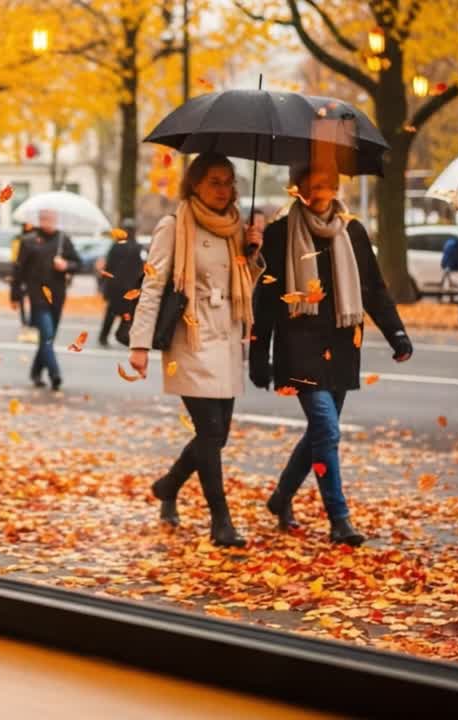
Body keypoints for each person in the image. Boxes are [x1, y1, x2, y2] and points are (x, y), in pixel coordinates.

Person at [249, 163, 414, 546]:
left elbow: (372, 288)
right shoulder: (279, 233)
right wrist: (259, 357)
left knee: (319, 435)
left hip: (342, 344)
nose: (323, 187)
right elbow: (267, 301)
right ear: (299, 186)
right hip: (298, 347)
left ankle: (281, 498)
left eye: (329, 181)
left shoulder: (352, 231)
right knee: (326, 428)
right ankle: (339, 519)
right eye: (314, 181)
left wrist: (397, 333)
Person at [128, 154, 265, 546]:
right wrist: (139, 345)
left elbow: (245, 283)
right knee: (210, 431)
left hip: (226, 336)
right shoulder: (174, 226)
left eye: (227, 182)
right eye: (213, 181)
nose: (222, 189)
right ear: (195, 184)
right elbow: (152, 286)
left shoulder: (236, 226)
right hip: (190, 339)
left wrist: (253, 255)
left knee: (217, 436)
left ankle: (169, 485)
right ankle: (221, 521)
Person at [11, 209, 81, 390]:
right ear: (39, 220)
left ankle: (35, 372)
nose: (47, 222)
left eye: (50, 218)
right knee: (47, 334)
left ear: (56, 220)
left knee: (48, 338)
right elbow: (18, 271)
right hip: (37, 296)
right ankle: (55, 374)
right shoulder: (29, 241)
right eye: (43, 218)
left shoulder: (62, 241)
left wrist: (66, 265)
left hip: (57, 295)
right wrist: (15, 294)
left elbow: (78, 263)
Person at [99, 219, 145, 347]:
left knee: (111, 313)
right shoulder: (138, 248)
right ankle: (121, 334)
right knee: (128, 313)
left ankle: (103, 337)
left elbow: (108, 267)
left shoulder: (116, 246)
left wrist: (103, 284)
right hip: (130, 287)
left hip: (115, 286)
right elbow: (142, 269)